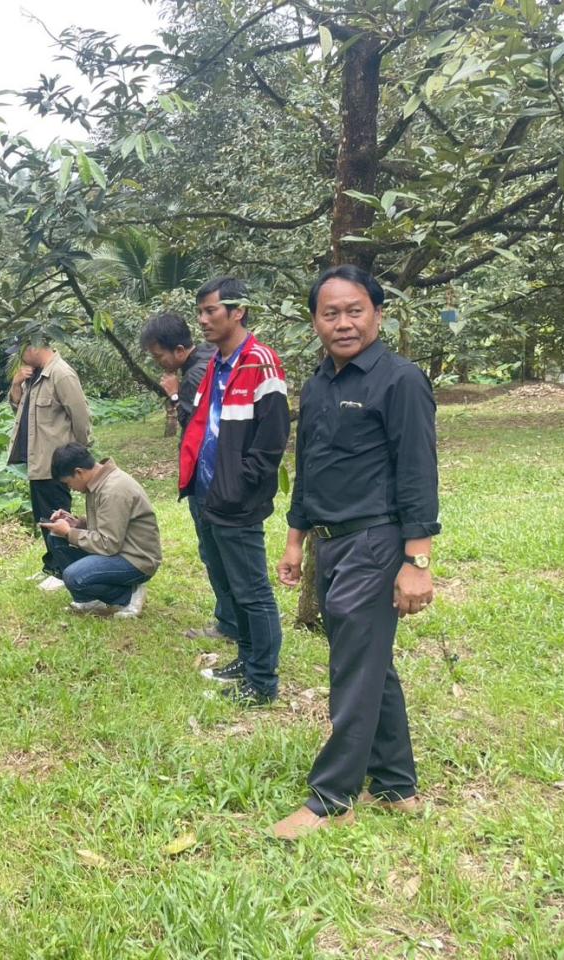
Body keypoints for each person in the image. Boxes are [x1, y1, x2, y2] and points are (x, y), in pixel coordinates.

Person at [273, 264, 439, 841]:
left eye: (355, 311)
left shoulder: (400, 381)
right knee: (369, 662)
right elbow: (312, 468)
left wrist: (416, 561)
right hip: (332, 542)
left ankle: (332, 797)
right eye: (330, 313)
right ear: (315, 320)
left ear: (378, 313)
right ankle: (396, 786)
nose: (343, 323)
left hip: (377, 541)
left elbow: (418, 473)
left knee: (353, 669)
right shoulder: (319, 383)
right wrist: (296, 538)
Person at [178, 277, 290, 705]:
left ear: (237, 311)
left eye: (211, 311)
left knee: (252, 589)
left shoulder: (261, 362)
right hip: (207, 491)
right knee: (230, 583)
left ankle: (262, 682)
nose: (203, 320)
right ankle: (245, 658)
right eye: (201, 312)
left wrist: (242, 486)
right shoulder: (216, 363)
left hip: (236, 496)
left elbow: (272, 439)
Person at [138, 310, 232, 643]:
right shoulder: (212, 357)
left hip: (207, 477)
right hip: (216, 475)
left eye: (159, 355)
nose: (158, 362)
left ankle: (228, 623)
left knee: (214, 549)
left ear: (179, 350)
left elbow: (197, 425)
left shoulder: (194, 375)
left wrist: (175, 394)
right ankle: (232, 618)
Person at [39, 443, 161, 619]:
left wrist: (69, 532)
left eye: (68, 483)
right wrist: (76, 523)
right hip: (120, 549)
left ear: (79, 472)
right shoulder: (98, 482)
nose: (70, 488)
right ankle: (91, 600)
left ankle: (128, 597)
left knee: (74, 577)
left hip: (136, 559)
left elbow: (108, 544)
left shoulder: (113, 490)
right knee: (56, 537)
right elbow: (110, 526)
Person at [7, 339, 92, 590]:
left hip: (56, 461)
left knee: (57, 514)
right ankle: (53, 564)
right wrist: (16, 385)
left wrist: (77, 454)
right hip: (37, 459)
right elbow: (21, 414)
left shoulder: (61, 374)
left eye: (22, 351)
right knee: (44, 515)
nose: (20, 358)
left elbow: (81, 416)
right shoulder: (34, 377)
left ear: (33, 346)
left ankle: (65, 570)